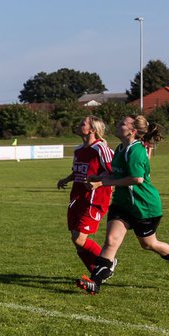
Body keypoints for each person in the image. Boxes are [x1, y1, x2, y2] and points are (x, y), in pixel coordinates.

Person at [78, 114, 169, 294]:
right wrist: (100, 177)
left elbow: (136, 179)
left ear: (132, 131)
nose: (117, 124)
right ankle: (95, 282)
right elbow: (117, 175)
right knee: (111, 241)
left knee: (149, 244)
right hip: (123, 205)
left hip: (144, 207)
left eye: (122, 123)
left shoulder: (137, 150)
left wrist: (103, 183)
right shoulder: (119, 148)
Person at [55, 116, 112, 276]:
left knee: (79, 238)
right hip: (78, 198)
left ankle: (107, 262)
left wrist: (99, 184)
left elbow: (114, 173)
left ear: (92, 129)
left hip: (94, 199)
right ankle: (96, 273)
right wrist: (66, 179)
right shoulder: (78, 150)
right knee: (77, 241)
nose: (79, 125)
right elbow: (78, 171)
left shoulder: (101, 149)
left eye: (83, 123)